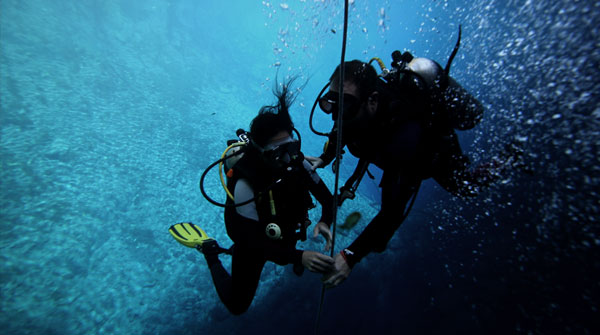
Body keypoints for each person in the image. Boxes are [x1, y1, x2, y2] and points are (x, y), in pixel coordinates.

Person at [307, 54, 523, 288]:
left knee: (464, 186)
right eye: (330, 102)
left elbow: (392, 214)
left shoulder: (405, 137)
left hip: (427, 154)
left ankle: (511, 157)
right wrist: (324, 158)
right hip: (387, 152)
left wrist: (351, 255)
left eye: (344, 105)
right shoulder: (350, 111)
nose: (335, 114)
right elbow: (340, 131)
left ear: (373, 100)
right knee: (378, 241)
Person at [170, 80, 335, 315]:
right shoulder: (245, 182)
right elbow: (251, 242)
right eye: (279, 153)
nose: (289, 159)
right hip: (253, 240)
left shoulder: (296, 162)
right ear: (261, 153)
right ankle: (209, 250)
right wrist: (300, 256)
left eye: (292, 148)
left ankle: (293, 259)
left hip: (282, 229)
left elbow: (327, 199)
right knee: (237, 305)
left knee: (291, 258)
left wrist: (325, 221)